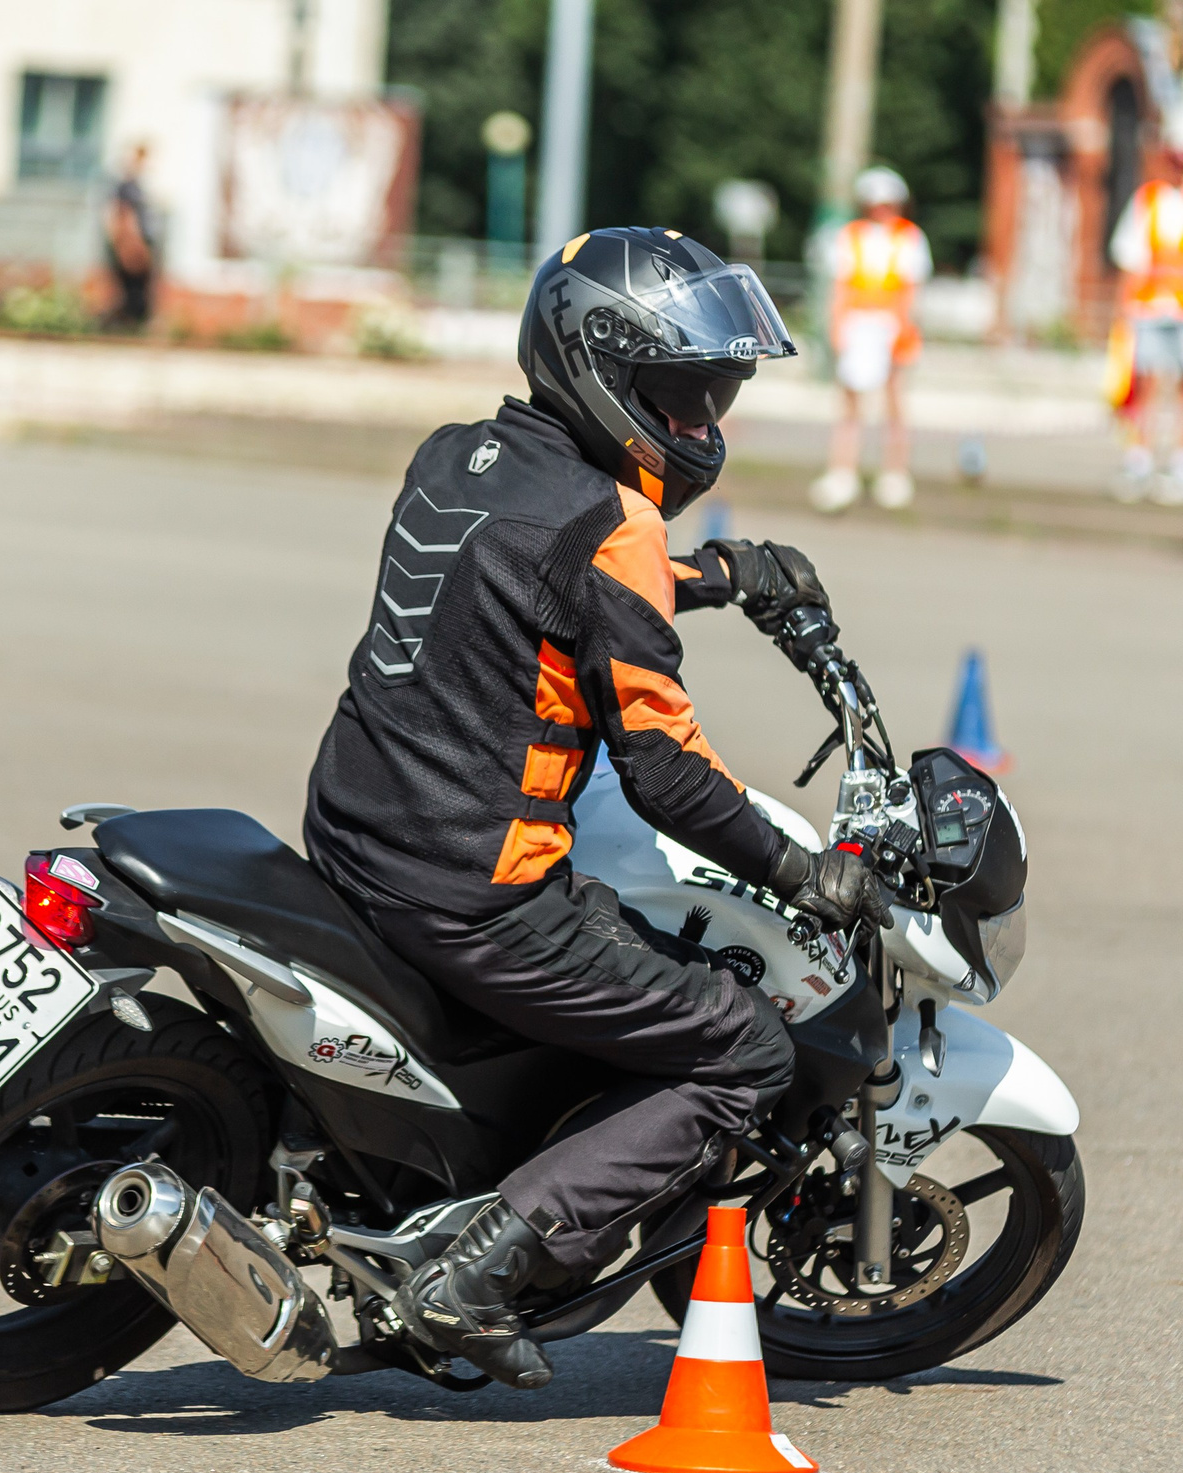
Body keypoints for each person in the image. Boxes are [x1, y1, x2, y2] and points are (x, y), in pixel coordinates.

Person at [302, 228, 893, 1390]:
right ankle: (480, 1271)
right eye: (681, 392)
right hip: (474, 892)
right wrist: (803, 872)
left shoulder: (455, 456)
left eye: (713, 392)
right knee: (741, 1046)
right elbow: (667, 777)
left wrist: (719, 578)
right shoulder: (614, 524)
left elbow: (534, 577)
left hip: (357, 837)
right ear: (601, 370)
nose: (701, 418)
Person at [812, 166, 932, 514]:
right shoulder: (850, 236)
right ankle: (842, 472)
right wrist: (836, 327)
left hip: (892, 325)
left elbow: (911, 290)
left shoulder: (910, 237)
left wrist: (905, 330)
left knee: (894, 403)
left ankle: (895, 474)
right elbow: (841, 286)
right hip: (858, 325)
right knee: (850, 405)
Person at [1107, 145, 1183, 505]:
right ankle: (1139, 458)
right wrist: (1123, 309)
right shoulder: (1148, 200)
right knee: (1145, 383)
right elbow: (1129, 254)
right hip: (1150, 306)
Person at [103, 142, 158, 333]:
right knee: (133, 292)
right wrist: (130, 246)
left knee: (139, 291)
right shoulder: (127, 187)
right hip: (133, 244)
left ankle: (130, 326)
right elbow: (124, 217)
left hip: (138, 243)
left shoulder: (135, 187)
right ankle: (126, 327)